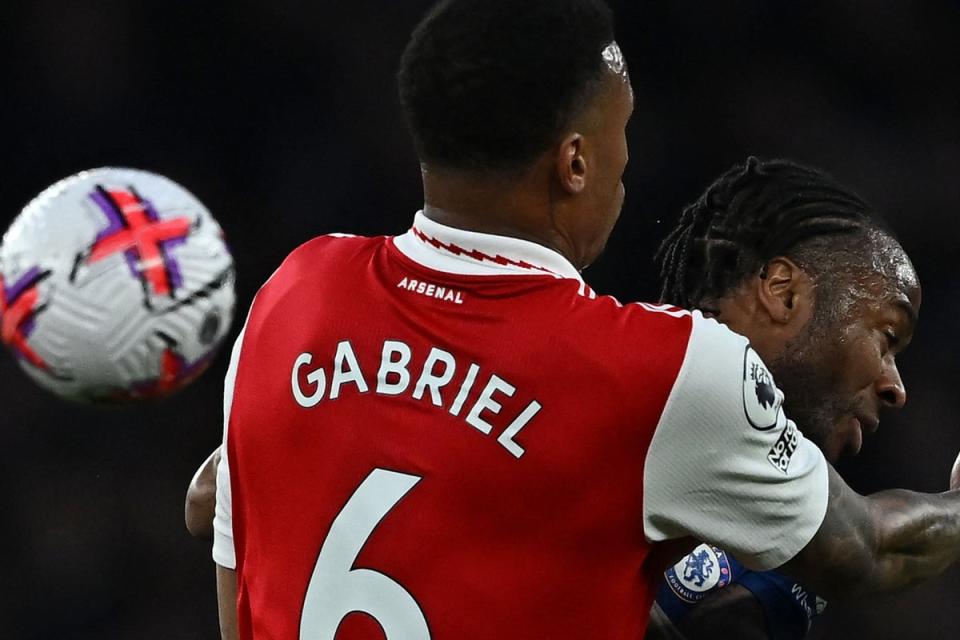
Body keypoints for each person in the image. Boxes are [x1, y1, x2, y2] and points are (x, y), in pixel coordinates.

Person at [202, 1, 960, 638]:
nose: (628, 163)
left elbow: (229, 557)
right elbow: (870, 552)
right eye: (620, 132)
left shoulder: (292, 296)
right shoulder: (659, 372)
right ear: (575, 163)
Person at [645, 157, 928, 639]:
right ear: (783, 292)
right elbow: (873, 549)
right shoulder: (660, 381)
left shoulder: (736, 516)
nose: (895, 388)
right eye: (886, 336)